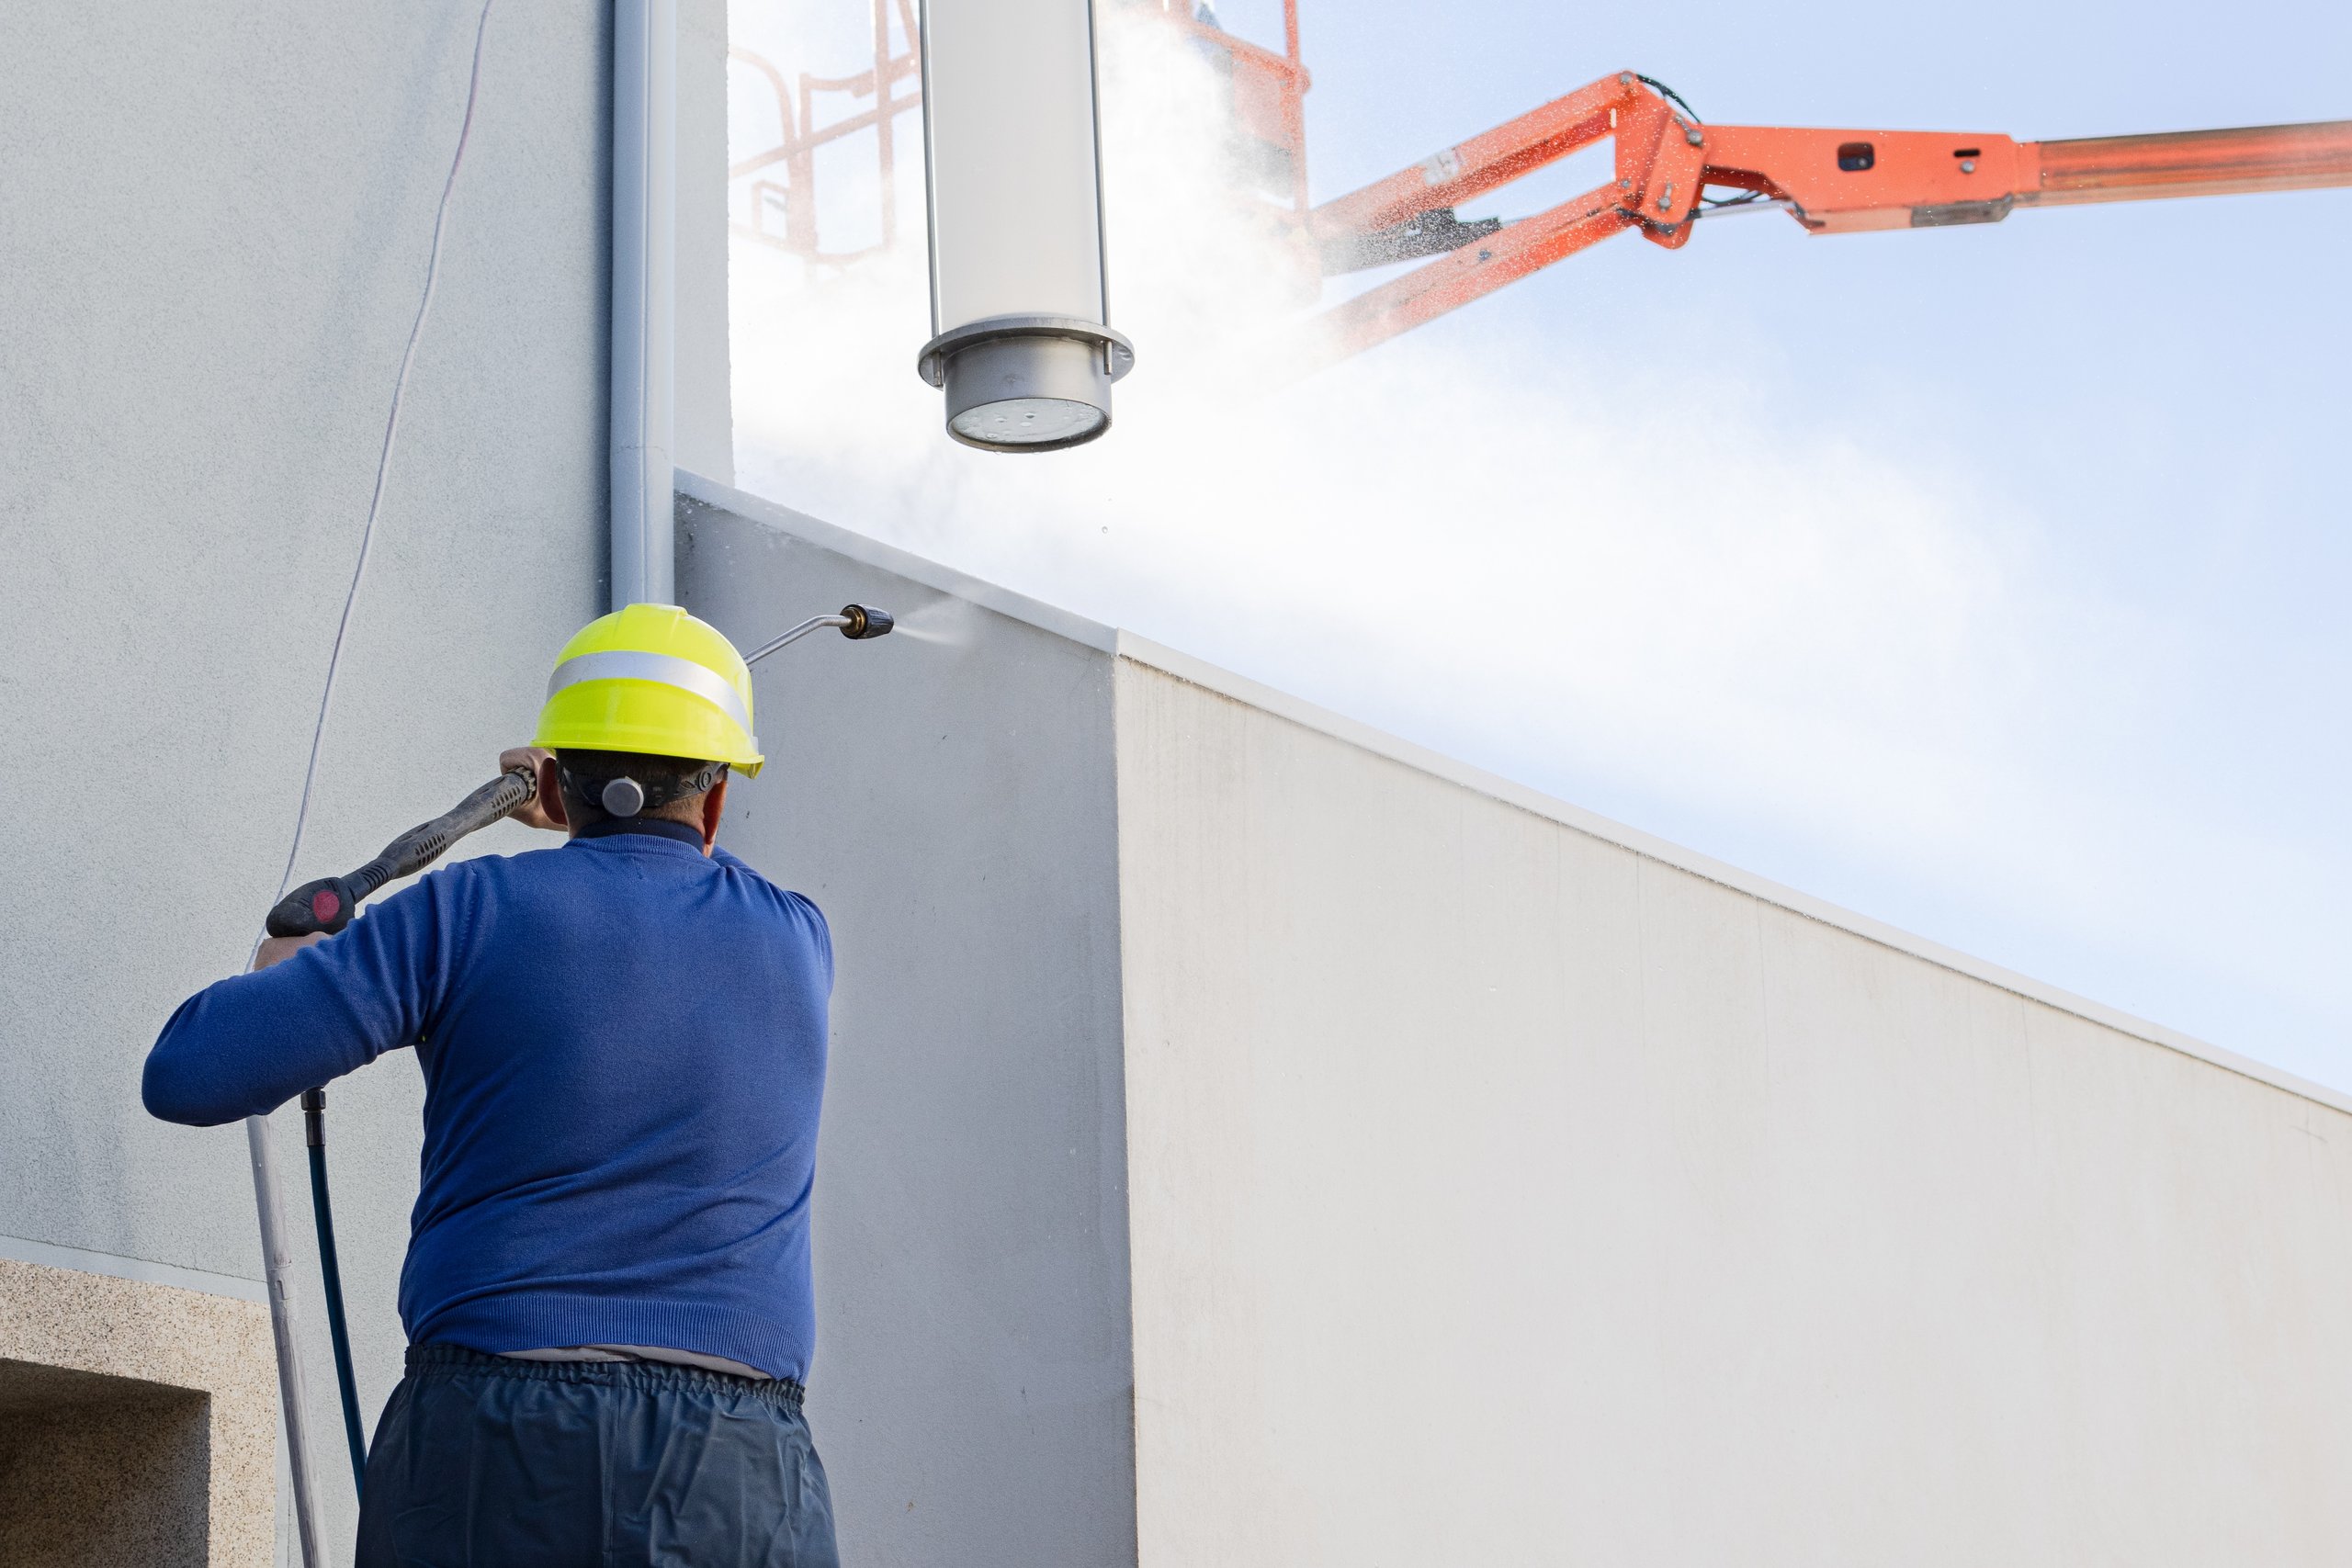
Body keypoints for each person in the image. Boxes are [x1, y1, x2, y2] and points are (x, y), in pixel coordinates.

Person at [143, 604, 840, 1567]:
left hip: (493, 1437)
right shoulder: (799, 941)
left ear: (554, 781)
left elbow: (188, 1074)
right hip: (735, 1465)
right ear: (717, 803)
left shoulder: (463, 914)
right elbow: (650, 896)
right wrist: (596, 815)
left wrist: (284, 969)